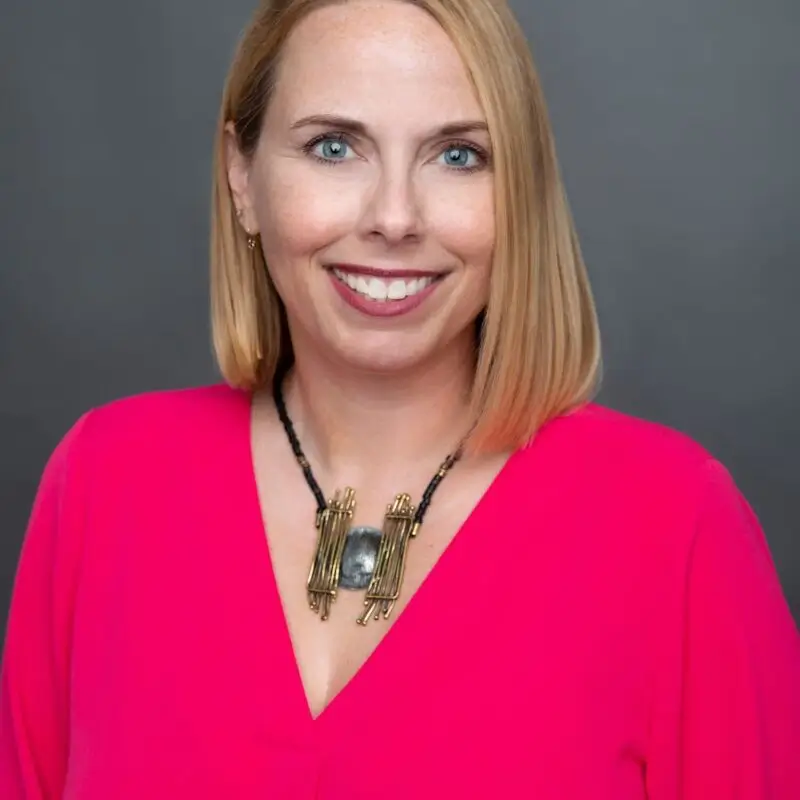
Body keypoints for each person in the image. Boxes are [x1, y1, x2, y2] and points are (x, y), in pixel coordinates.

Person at [2, 0, 799, 796]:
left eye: (457, 156)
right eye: (334, 146)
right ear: (241, 176)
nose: (394, 219)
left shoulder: (673, 524)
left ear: (518, 192)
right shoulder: (106, 482)